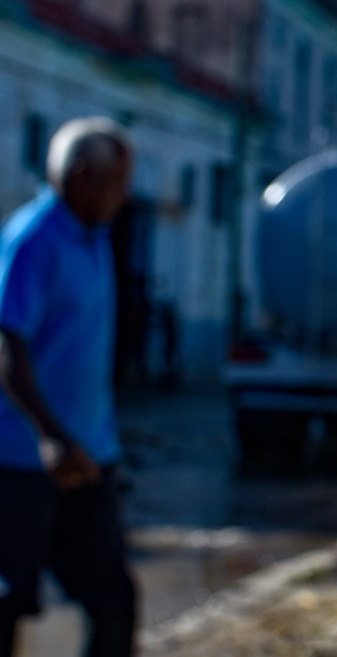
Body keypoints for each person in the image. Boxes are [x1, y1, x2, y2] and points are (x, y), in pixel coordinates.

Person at [0, 117, 136, 657]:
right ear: (81, 176)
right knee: (8, 601)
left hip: (89, 459)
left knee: (113, 600)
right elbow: (6, 346)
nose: (124, 197)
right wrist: (50, 435)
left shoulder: (95, 239)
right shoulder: (34, 240)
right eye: (117, 183)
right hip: (23, 461)